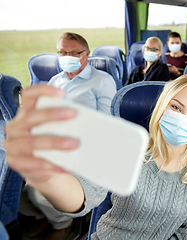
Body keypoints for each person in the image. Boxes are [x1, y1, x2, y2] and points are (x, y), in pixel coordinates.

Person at [5, 72, 187, 240]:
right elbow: (82, 194)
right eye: (176, 107)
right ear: (163, 105)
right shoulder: (127, 146)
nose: (183, 119)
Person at [19, 32, 117, 240]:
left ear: (87, 54)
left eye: (75, 53)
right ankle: (46, 215)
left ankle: (62, 223)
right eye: (63, 52)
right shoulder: (55, 81)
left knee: (39, 192)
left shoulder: (102, 81)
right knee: (17, 180)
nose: (68, 57)